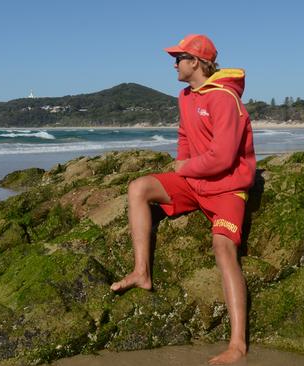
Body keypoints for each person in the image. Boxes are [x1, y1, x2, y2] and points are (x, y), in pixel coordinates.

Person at [110, 34, 256, 365]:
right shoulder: (185, 96)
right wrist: (182, 166)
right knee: (139, 188)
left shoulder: (224, 99)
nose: (173, 64)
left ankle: (237, 345)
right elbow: (184, 135)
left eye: (178, 58)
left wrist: (187, 166)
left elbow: (223, 156)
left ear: (196, 62)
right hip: (194, 184)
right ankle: (141, 272)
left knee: (223, 248)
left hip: (227, 189)